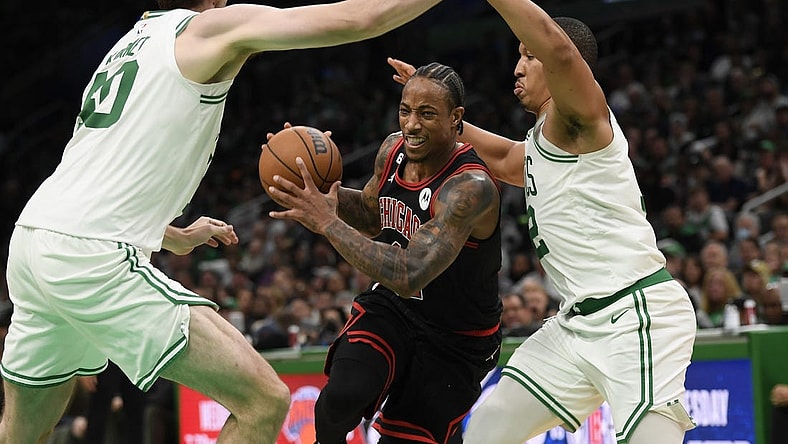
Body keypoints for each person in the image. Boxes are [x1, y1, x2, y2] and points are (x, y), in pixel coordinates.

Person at [0, 0, 445, 442]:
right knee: (263, 401)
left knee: (22, 433)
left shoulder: (129, 44)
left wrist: (171, 235)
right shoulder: (205, 29)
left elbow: (100, 180)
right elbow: (361, 17)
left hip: (33, 240)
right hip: (89, 255)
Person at [387, 1, 697, 442]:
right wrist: (436, 109)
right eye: (519, 54)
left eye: (528, 55)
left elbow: (561, 52)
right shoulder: (542, 143)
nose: (518, 66)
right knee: (489, 429)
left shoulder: (581, 119)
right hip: (576, 325)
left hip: (635, 315)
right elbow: (497, 157)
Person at [267, 62, 503, 444]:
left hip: (456, 337)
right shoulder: (393, 150)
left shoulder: (470, 187)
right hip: (392, 308)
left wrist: (327, 222)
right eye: (405, 110)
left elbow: (411, 275)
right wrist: (314, 188)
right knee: (342, 397)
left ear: (456, 118)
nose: (411, 124)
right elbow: (371, 214)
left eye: (426, 114)